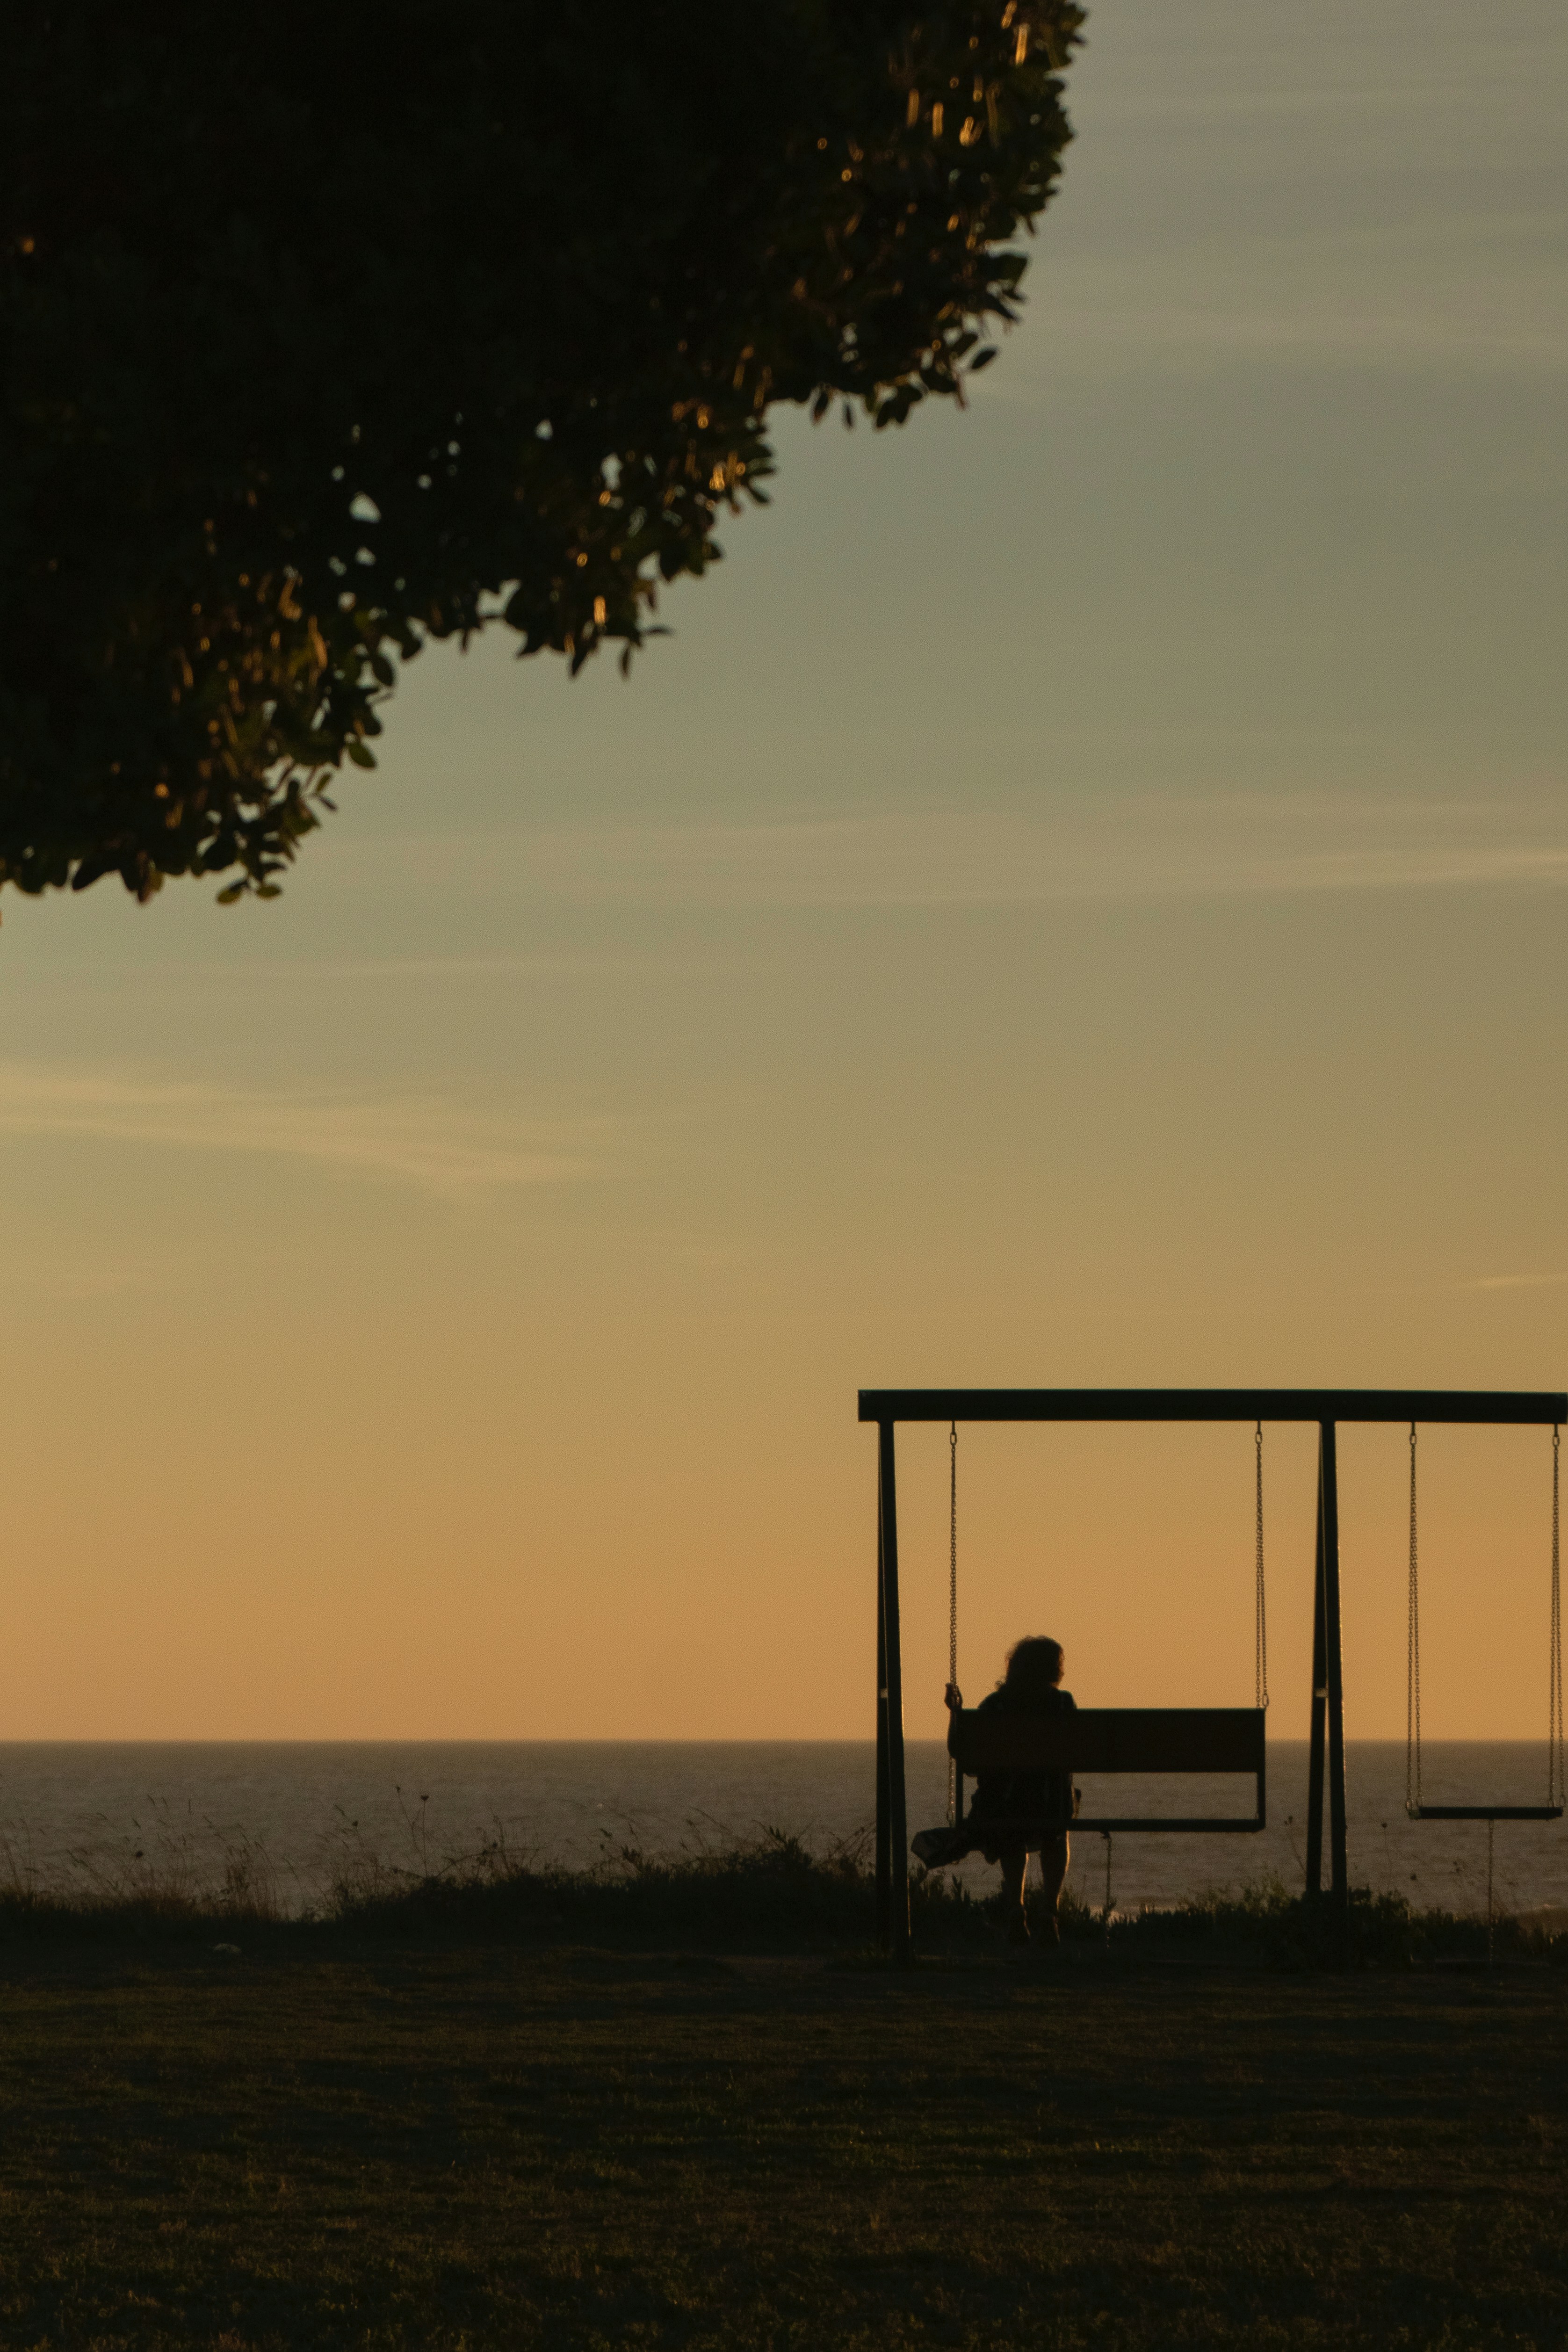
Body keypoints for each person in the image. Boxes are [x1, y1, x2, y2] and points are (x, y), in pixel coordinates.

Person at [912, 1635, 1077, 1947]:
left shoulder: (994, 1705)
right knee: (1057, 1827)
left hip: (1003, 1804)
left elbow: (962, 1753)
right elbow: (1075, 1753)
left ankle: (1016, 1912)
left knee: (1011, 1828)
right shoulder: (1062, 1703)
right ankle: (1049, 1915)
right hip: (1050, 1803)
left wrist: (955, 1713)